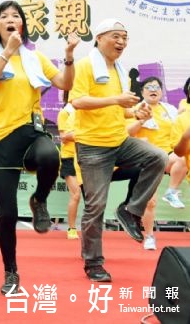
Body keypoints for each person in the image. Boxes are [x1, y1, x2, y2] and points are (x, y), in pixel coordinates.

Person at [0, 0, 79, 295]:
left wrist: (69, 57)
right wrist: (7, 51)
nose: (11, 19)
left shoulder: (36, 58)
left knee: (50, 156)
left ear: (23, 24)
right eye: (5, 16)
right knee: (6, 213)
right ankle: (11, 272)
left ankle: (39, 200)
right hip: (0, 139)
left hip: (31, 132)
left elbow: (64, 83)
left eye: (16, 16)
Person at [70, 18, 166, 283]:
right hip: (92, 147)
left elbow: (119, 109)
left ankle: (130, 210)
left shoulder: (119, 70)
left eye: (125, 37)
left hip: (119, 141)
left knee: (157, 157)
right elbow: (77, 101)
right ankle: (93, 263)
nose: (121, 42)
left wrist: (135, 110)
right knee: (96, 206)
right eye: (116, 36)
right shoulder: (85, 65)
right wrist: (117, 99)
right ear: (99, 38)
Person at [126, 76, 187, 250]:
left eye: (157, 87)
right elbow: (127, 132)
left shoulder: (169, 110)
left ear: (161, 92)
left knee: (182, 158)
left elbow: (182, 118)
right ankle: (150, 236)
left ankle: (171, 191)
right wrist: (141, 121)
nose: (153, 89)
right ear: (142, 91)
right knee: (150, 201)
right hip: (146, 157)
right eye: (149, 87)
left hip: (167, 154)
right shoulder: (135, 109)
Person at [56, 99, 81, 240]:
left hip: (87, 156)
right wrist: (84, 133)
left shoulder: (88, 111)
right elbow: (64, 138)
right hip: (69, 157)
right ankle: (72, 229)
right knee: (76, 194)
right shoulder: (65, 112)